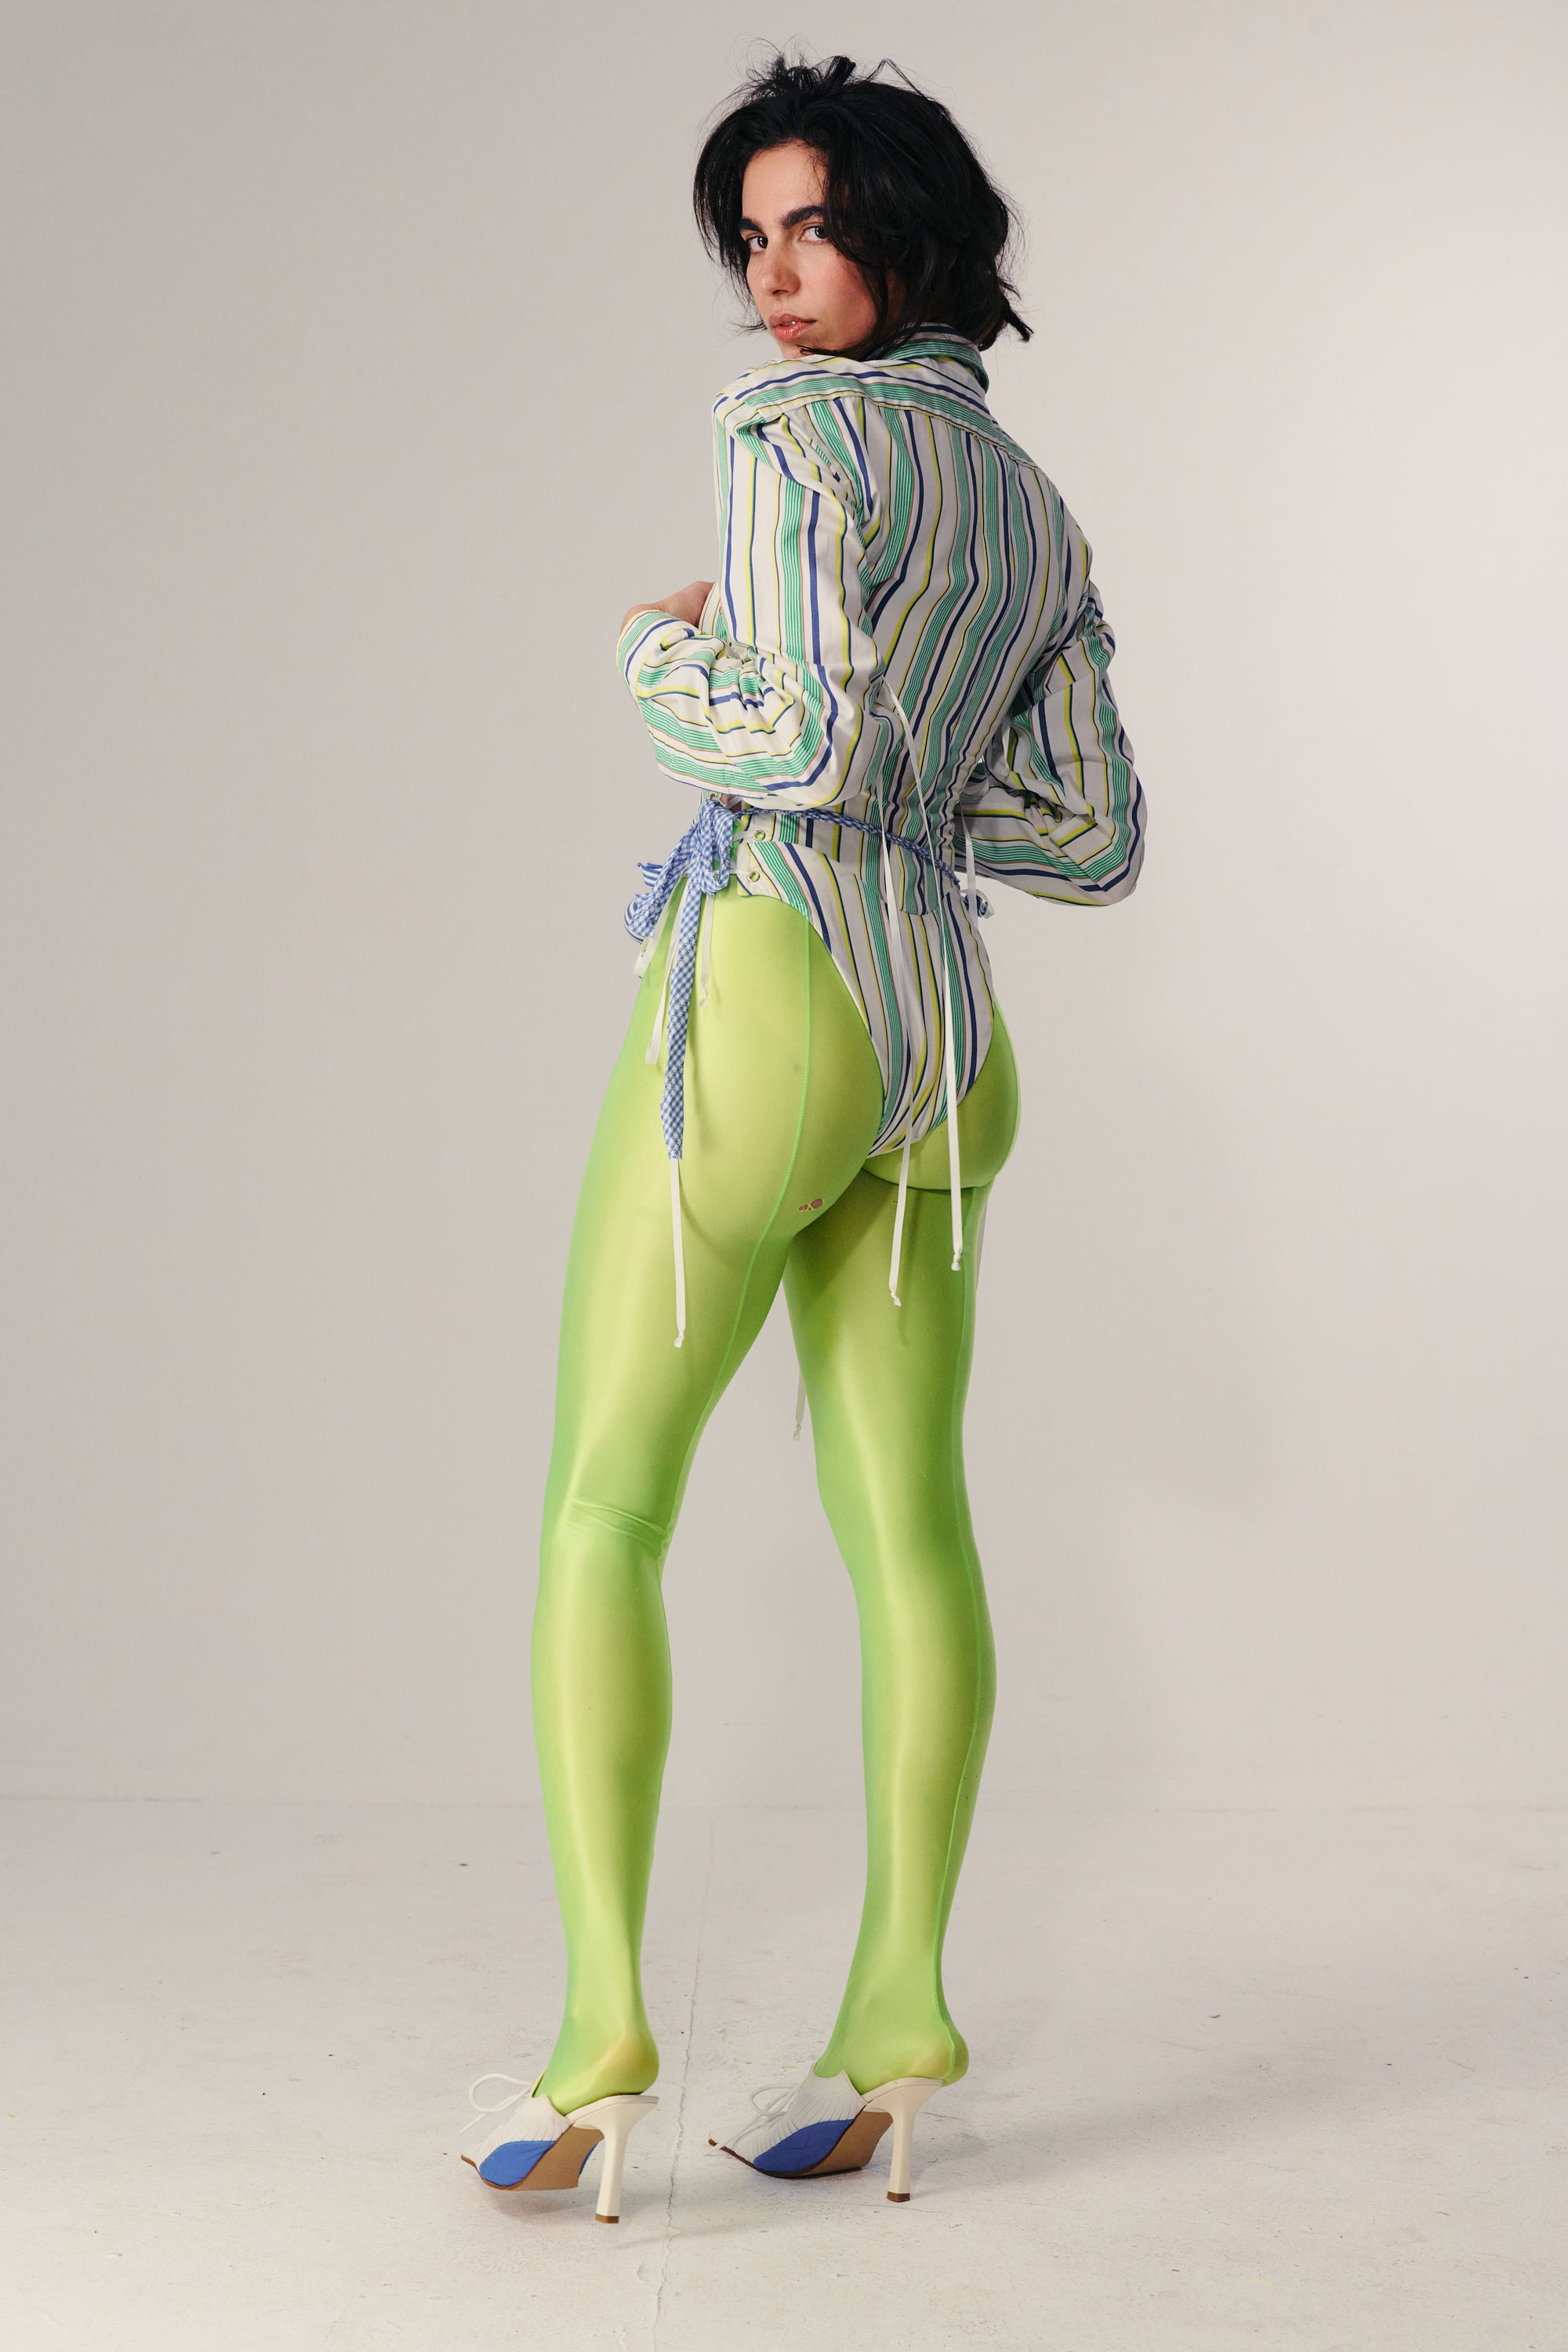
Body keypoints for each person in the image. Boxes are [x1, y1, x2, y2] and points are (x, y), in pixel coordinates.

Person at [458, 51, 1146, 2220]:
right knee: (911, 1531)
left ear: (906, 235)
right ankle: (897, 2022)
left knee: (602, 1506)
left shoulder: (785, 435)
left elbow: (791, 734)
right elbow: (1093, 834)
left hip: (767, 982)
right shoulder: (1034, 510)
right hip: (942, 1033)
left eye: (813, 228)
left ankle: (600, 2042)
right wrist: (920, 786)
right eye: (751, 238)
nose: (771, 276)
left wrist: (651, 653)